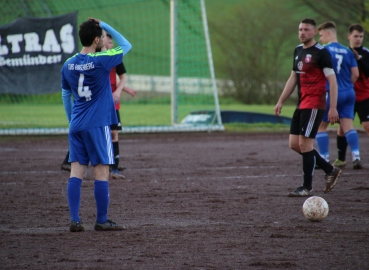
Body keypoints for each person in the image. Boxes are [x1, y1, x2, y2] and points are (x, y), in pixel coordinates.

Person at [61, 18, 132, 232]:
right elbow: (126, 45)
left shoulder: (68, 64)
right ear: (96, 39)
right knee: (102, 171)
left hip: (76, 125)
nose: (104, 39)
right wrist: (106, 24)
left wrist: (70, 120)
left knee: (76, 172)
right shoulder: (101, 60)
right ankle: (101, 220)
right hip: (98, 124)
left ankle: (75, 220)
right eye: (101, 36)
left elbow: (66, 96)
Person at [274, 18, 341, 197]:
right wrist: (280, 100)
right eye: (300, 30)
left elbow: (332, 81)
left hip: (315, 104)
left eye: (306, 30)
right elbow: (293, 78)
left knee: (305, 144)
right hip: (301, 103)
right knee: (294, 144)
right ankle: (329, 169)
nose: (302, 32)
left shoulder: (321, 53)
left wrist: (333, 107)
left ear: (313, 32)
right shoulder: (297, 50)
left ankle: (306, 187)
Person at [314, 22, 362, 169]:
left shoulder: (323, 50)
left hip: (330, 93)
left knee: (321, 127)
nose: (320, 39)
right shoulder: (348, 51)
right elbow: (356, 74)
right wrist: (346, 85)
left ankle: (324, 158)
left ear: (329, 34)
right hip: (349, 92)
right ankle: (356, 155)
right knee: (348, 127)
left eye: (321, 35)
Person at [333, 23, 369, 168]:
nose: (358, 39)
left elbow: (367, 72)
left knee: (367, 125)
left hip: (364, 95)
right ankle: (341, 159)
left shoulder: (366, 53)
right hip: (348, 95)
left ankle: (356, 157)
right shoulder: (343, 52)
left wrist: (359, 59)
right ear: (349, 36)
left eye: (361, 36)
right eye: (356, 36)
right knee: (343, 128)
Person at [102, 32, 136, 179]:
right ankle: (73, 161)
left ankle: (114, 168)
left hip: (112, 103)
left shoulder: (115, 57)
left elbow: (122, 77)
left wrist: (120, 90)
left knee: (113, 133)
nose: (112, 45)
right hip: (99, 102)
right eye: (110, 42)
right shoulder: (94, 56)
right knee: (92, 133)